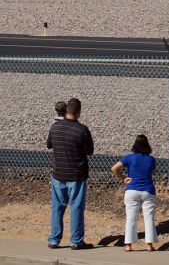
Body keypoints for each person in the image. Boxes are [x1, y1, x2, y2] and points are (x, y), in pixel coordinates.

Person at [46, 98, 94, 250]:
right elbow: (89, 151)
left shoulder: (55, 127)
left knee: (57, 208)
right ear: (78, 112)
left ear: (66, 110)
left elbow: (49, 144)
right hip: (77, 174)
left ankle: (54, 239)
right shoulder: (82, 130)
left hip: (59, 173)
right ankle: (76, 240)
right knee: (76, 208)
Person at [111, 135, 158, 252]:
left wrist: (123, 178)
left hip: (132, 189)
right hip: (148, 190)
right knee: (149, 218)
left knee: (131, 218)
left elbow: (114, 168)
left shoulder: (129, 157)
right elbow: (151, 171)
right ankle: (150, 245)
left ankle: (128, 245)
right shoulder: (151, 159)